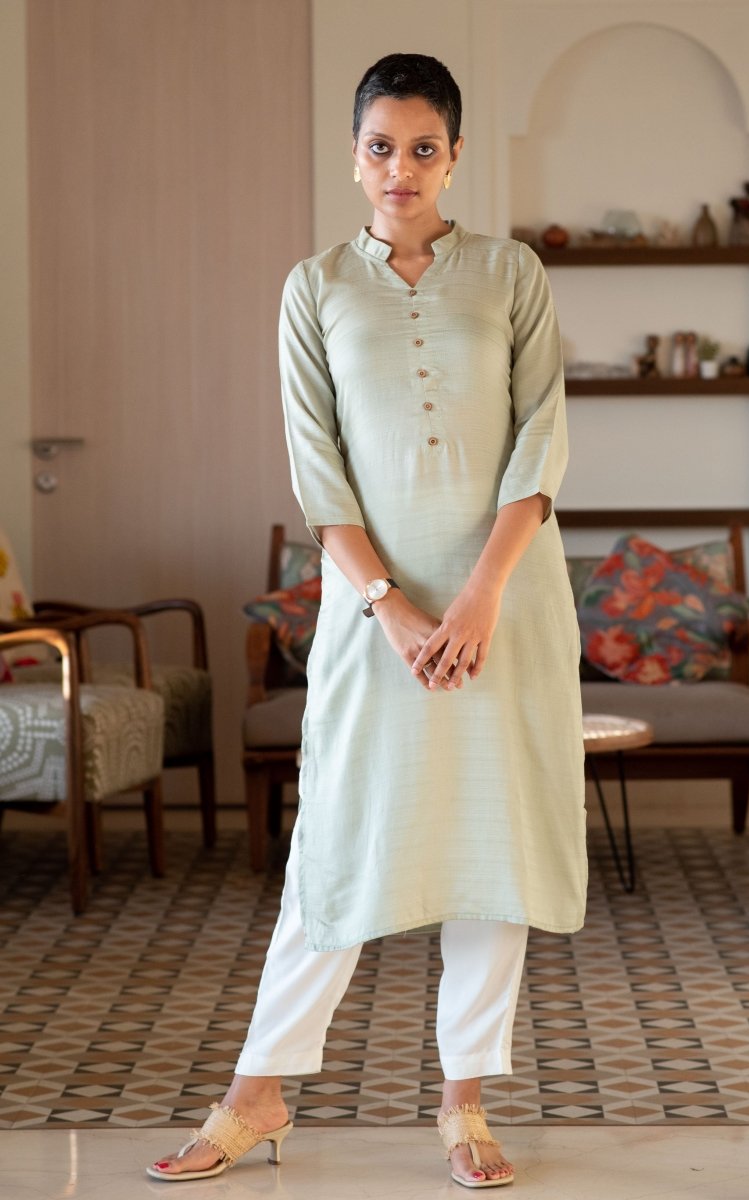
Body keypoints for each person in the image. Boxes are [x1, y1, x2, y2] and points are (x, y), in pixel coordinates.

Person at [147, 52, 587, 1190]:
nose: (402, 168)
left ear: (455, 155)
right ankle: (258, 1092)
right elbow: (318, 469)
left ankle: (465, 1103)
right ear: (354, 156)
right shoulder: (315, 288)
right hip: (371, 613)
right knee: (335, 844)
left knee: (494, 851)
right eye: (382, 147)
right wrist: (391, 609)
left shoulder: (512, 272)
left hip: (505, 602)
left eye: (424, 147)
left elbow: (540, 442)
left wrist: (480, 596)